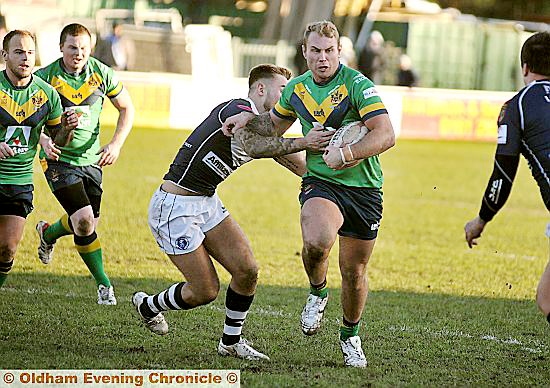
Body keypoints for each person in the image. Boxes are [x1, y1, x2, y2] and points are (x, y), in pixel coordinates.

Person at [222, 20, 395, 367]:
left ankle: (350, 336)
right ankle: (317, 291)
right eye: (315, 51)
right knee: (316, 242)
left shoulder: (358, 85)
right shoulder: (296, 89)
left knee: (354, 271)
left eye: (329, 51)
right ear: (304, 52)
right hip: (322, 182)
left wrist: (347, 153)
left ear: (339, 52)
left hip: (364, 189)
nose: (322, 58)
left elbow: (386, 134)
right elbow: (272, 126)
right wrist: (247, 121)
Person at [131, 64, 325, 361]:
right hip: (174, 207)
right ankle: (149, 306)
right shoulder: (237, 107)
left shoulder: (257, 124)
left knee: (247, 270)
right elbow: (259, 145)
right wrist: (305, 141)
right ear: (261, 89)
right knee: (205, 290)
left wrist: (329, 181)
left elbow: (288, 157)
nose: (287, 96)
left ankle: (230, 342)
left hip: (206, 201)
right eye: (282, 89)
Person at [33, 23, 135, 305]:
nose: (78, 54)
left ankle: (47, 232)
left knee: (86, 225)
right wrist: (43, 140)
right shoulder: (44, 78)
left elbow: (127, 107)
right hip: (57, 159)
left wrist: (115, 144)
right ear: (61, 48)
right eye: (72, 48)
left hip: (91, 160)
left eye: (84, 48)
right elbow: (29, 119)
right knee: (84, 220)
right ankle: (104, 285)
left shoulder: (101, 73)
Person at [464, 32, 550, 324]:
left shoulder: (516, 108)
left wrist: (481, 220)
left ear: (524, 67)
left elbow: (503, 173)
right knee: (547, 296)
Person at [0, 30, 77, 287]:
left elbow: (58, 139)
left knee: (7, 250)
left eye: (30, 52)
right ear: (5, 55)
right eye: (19, 52)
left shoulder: (46, 94)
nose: (25, 58)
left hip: (18, 182)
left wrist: (67, 128)